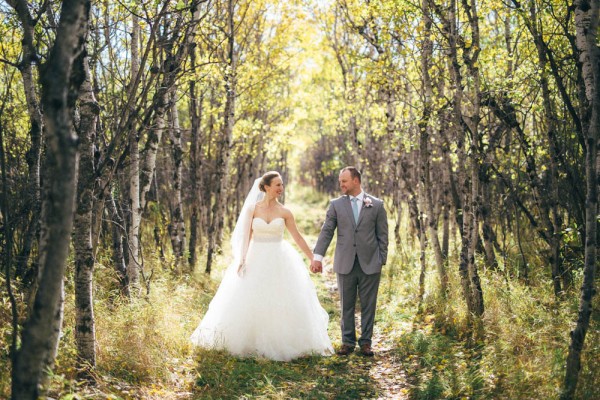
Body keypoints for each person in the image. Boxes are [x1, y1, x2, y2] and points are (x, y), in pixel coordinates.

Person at [191, 171, 333, 361]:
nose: (281, 188)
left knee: (279, 297)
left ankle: (282, 340)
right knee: (250, 296)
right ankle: (249, 341)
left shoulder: (285, 212)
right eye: (277, 185)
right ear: (266, 187)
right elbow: (247, 236)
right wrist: (242, 259)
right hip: (255, 256)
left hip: (278, 257)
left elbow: (297, 237)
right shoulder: (253, 209)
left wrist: (313, 258)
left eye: (282, 185)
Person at [311, 166, 388, 357]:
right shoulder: (336, 205)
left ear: (356, 181)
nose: (341, 184)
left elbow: (383, 235)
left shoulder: (376, 205)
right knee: (346, 304)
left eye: (344, 181)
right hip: (345, 261)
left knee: (369, 304)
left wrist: (381, 259)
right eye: (340, 181)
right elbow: (327, 231)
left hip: (370, 262)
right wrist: (318, 256)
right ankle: (347, 342)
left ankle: (366, 342)